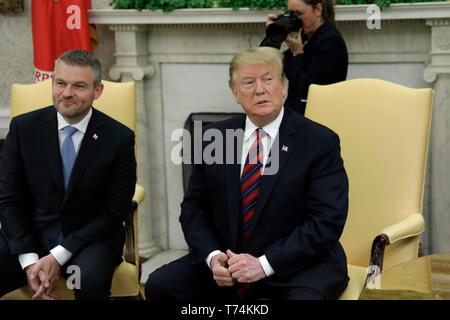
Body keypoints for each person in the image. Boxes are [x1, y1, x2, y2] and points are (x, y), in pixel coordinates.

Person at [145, 46, 349, 300]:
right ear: (235, 93)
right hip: (231, 264)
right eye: (248, 82)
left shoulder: (319, 141)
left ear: (284, 86)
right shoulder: (214, 138)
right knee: (160, 285)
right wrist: (212, 257)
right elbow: (194, 208)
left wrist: (263, 264)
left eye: (268, 79)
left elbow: (326, 222)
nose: (260, 89)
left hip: (297, 266)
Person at [0, 49, 136, 300]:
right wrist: (31, 262)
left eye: (79, 86)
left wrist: (57, 256)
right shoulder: (23, 129)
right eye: (60, 83)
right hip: (31, 237)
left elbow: (113, 212)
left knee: (90, 280)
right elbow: (9, 199)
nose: (67, 93)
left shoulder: (120, 138)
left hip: (90, 240)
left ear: (98, 91)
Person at [263, 0, 348, 115]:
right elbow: (266, 65)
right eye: (291, 13)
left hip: (317, 119)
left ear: (318, 9)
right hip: (296, 116)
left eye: (299, 13)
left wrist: (298, 54)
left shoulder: (330, 41)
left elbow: (308, 90)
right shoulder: (306, 37)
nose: (295, 19)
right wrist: (273, 35)